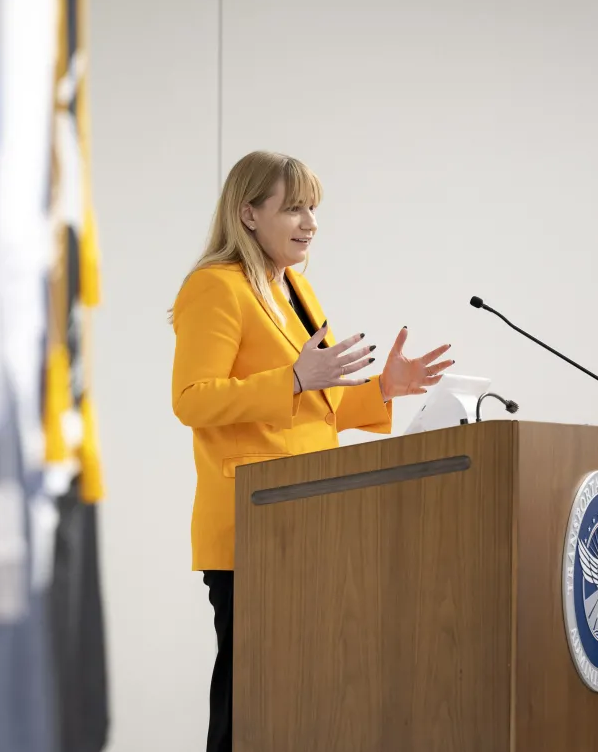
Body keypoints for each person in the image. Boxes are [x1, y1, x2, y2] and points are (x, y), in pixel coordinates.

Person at [169, 150, 454, 752]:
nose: (310, 222)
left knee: (297, 696)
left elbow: (313, 409)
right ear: (247, 213)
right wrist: (294, 378)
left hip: (309, 517)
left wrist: (382, 389)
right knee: (249, 700)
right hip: (252, 524)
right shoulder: (215, 288)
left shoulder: (296, 289)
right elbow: (193, 400)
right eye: (293, 207)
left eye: (314, 208)